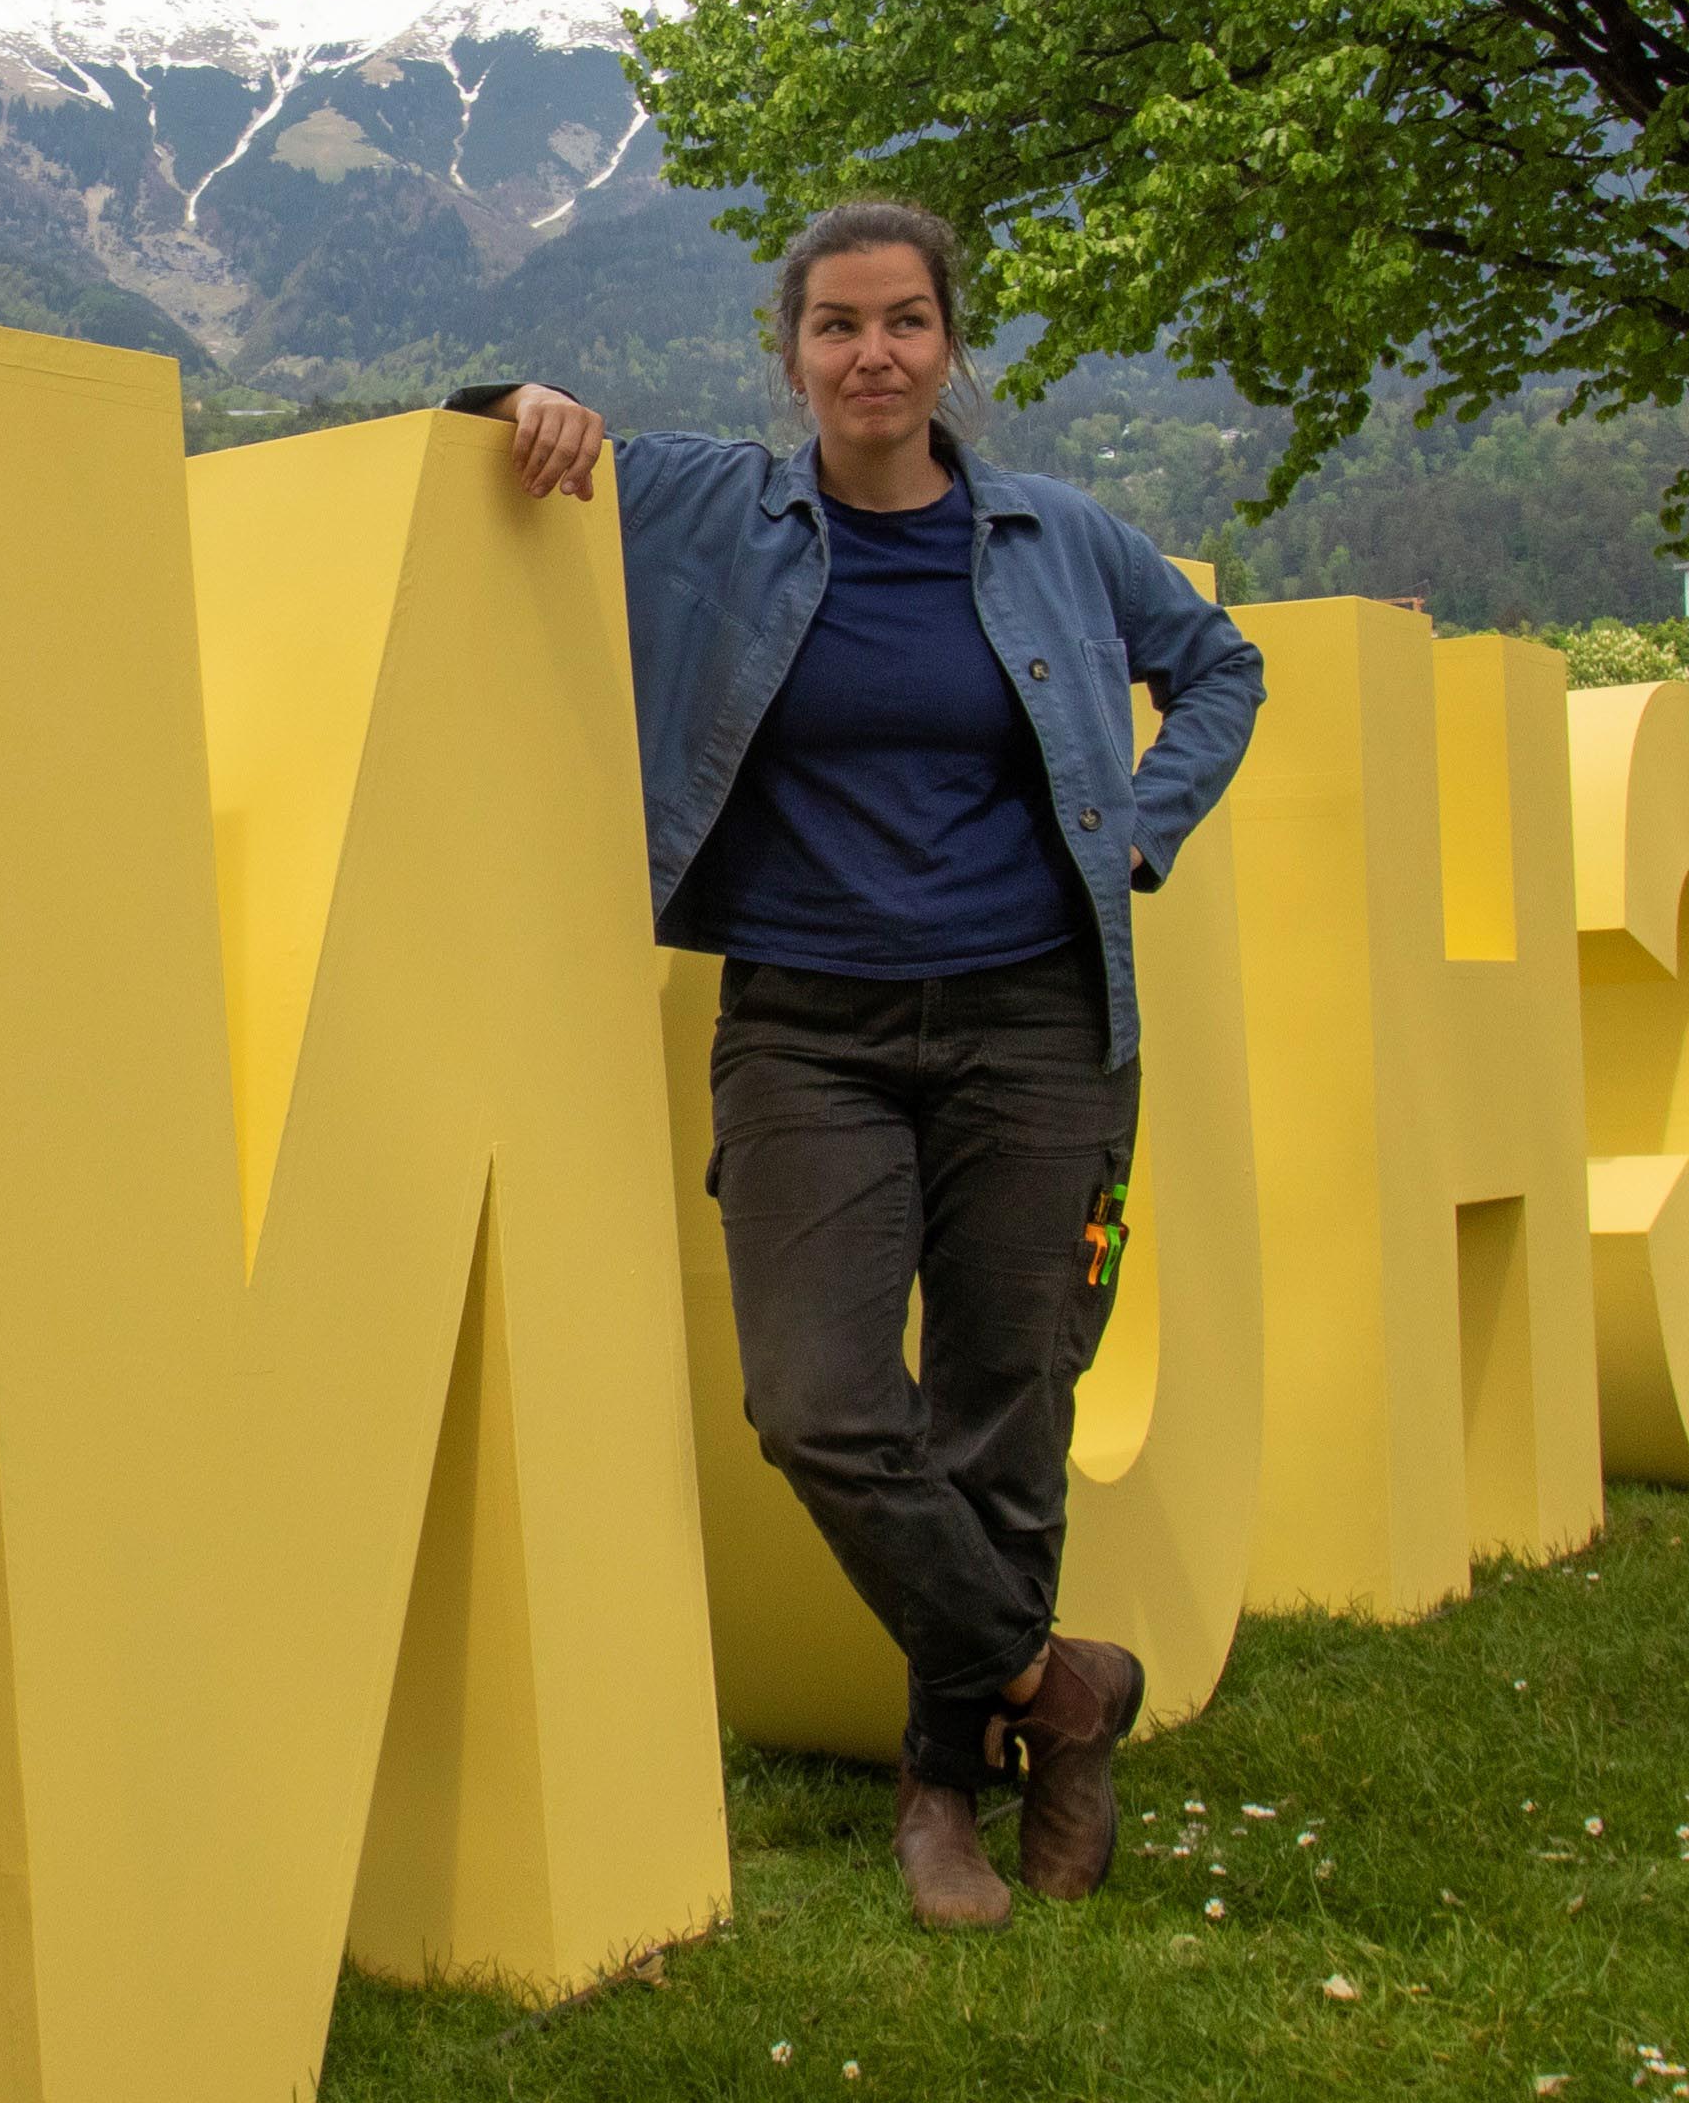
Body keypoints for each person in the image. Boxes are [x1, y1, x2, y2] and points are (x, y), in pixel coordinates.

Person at [471, 201, 1265, 1933]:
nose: (871, 354)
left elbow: (1215, 666)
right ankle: (1057, 1684)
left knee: (1000, 1409)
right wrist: (510, 394)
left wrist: (1138, 827)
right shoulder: (708, 510)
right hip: (804, 1028)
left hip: (1035, 1023)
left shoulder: (1054, 535)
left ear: (947, 343)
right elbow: (469, 451)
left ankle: (942, 1793)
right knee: (816, 1402)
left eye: (904, 321)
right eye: (834, 325)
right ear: (789, 353)